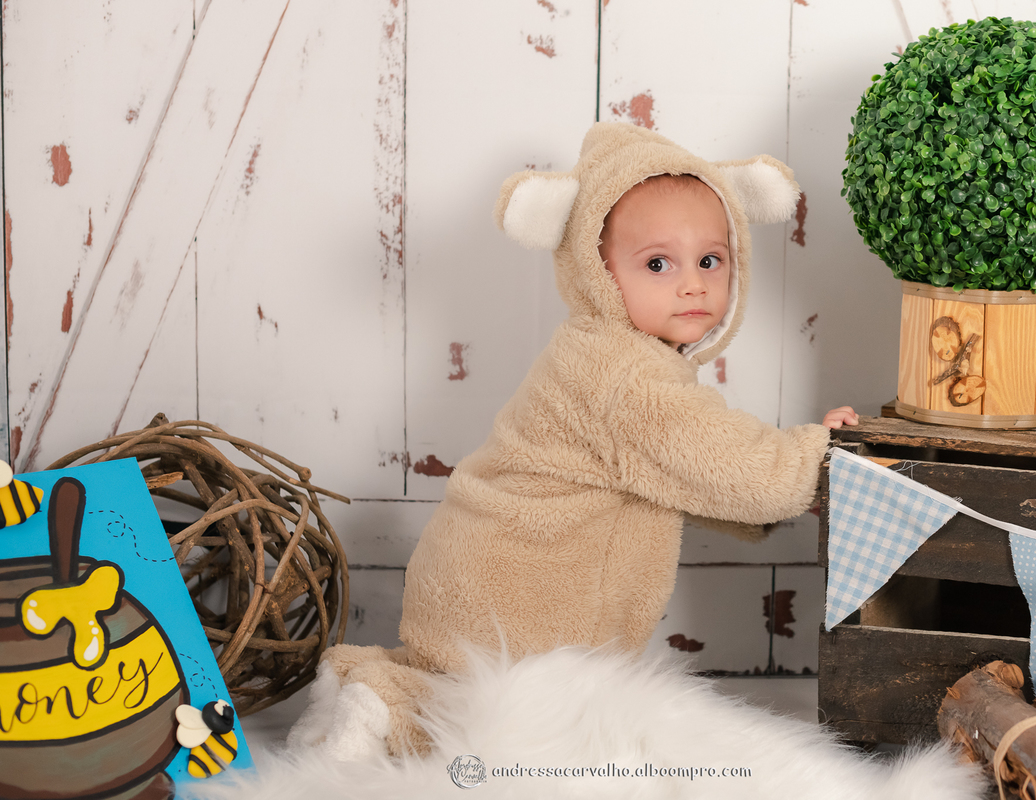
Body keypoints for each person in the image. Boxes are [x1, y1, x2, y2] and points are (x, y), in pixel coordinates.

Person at [309, 122, 857, 757]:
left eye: (710, 260)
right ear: (596, 270)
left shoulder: (609, 355)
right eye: (658, 264)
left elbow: (675, 470)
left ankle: (373, 695)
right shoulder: (624, 375)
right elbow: (733, 464)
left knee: (468, 695)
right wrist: (817, 457)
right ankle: (384, 710)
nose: (693, 284)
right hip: (518, 583)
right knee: (504, 725)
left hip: (482, 569)